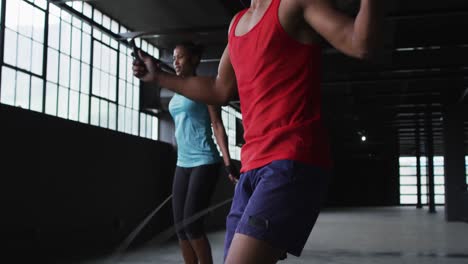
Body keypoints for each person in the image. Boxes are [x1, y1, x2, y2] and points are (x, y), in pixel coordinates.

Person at [133, 0, 381, 263]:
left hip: (291, 161)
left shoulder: (292, 4)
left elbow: (360, 42)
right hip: (251, 167)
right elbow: (219, 89)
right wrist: (159, 77)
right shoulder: (237, 24)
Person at [166, 42, 238, 264]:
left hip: (204, 161)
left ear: (194, 60)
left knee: (192, 225)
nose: (175, 62)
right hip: (182, 163)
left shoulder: (205, 87)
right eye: (174, 58)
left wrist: (228, 163)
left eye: (181, 57)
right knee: (180, 227)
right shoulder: (177, 91)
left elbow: (217, 125)